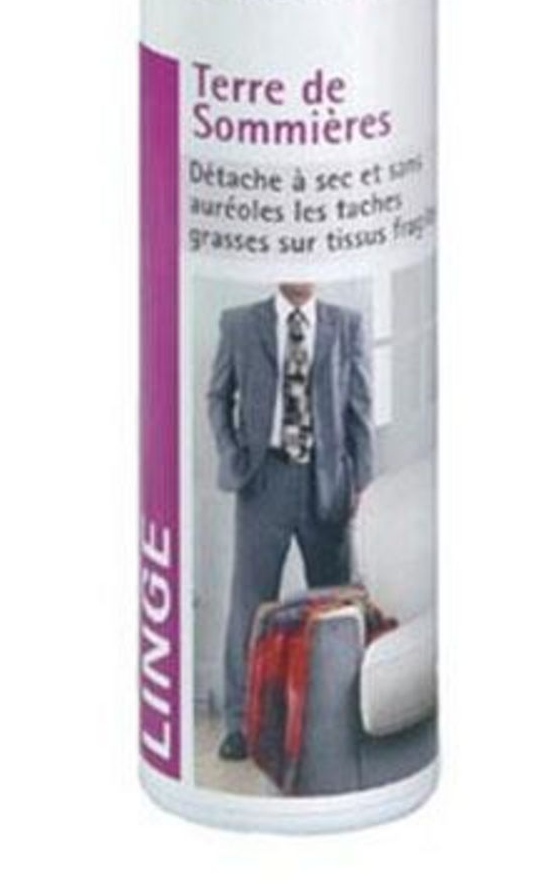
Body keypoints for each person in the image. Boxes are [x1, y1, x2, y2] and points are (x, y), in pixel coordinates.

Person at [206, 283, 375, 760]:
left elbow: (360, 409)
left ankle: (340, 718)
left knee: (334, 605)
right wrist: (233, 455)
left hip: (328, 482)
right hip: (263, 481)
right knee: (250, 604)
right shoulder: (240, 324)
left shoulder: (346, 326)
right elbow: (218, 397)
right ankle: (240, 724)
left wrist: (362, 482)